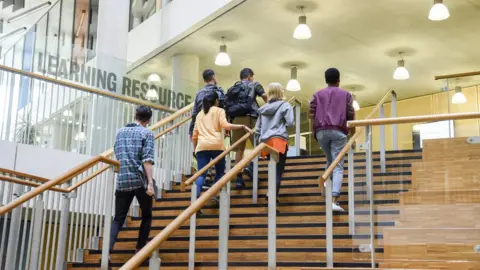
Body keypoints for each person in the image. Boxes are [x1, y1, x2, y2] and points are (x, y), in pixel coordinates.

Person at [110, 105, 155, 255]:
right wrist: (150, 183)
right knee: (147, 215)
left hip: (122, 180)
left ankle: (106, 254)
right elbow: (147, 160)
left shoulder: (120, 132)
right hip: (139, 179)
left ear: (135, 115)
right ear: (148, 120)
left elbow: (117, 152)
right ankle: (139, 249)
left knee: (118, 219)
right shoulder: (147, 133)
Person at [310, 68, 355, 212]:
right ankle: (333, 199)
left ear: (326, 80)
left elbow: (311, 113)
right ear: (338, 80)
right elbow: (350, 116)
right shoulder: (346, 95)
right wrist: (352, 137)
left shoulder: (317, 94)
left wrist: (314, 132)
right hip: (338, 131)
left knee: (330, 161)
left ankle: (325, 190)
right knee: (338, 165)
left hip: (321, 131)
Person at [192, 91, 251, 202]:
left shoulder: (200, 114)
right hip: (216, 146)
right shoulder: (219, 110)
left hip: (201, 147)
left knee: (201, 174)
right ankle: (214, 194)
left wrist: (195, 149)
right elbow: (225, 125)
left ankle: (195, 200)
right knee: (219, 172)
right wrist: (242, 126)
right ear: (216, 101)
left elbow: (195, 135)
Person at [225, 68, 268, 188]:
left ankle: (239, 178)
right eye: (252, 76)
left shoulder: (233, 88)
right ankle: (250, 167)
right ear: (249, 76)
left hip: (236, 120)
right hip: (252, 118)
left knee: (240, 150)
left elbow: (227, 105)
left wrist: (228, 124)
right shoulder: (255, 84)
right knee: (259, 145)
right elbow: (265, 97)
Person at [255, 82, 294, 205]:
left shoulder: (263, 108)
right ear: (280, 92)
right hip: (279, 140)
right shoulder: (285, 106)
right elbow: (290, 123)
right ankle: (271, 194)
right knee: (278, 170)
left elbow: (257, 129)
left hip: (266, 142)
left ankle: (271, 194)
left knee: (272, 168)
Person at [189, 69, 226, 137]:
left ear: (204, 80)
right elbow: (224, 110)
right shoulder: (219, 92)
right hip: (215, 128)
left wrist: (191, 131)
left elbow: (194, 114)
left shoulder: (199, 94)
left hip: (201, 127)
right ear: (213, 77)